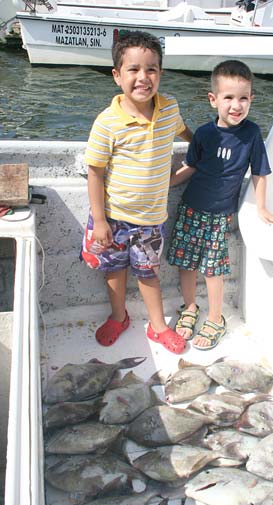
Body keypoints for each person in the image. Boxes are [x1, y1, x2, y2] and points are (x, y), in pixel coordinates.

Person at [80, 30, 192, 354]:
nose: (143, 77)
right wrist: (99, 220)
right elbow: (95, 172)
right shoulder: (107, 123)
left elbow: (183, 130)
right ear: (117, 76)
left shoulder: (169, 108)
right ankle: (119, 317)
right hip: (113, 219)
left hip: (150, 220)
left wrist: (200, 145)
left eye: (152, 69)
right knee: (114, 271)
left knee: (148, 274)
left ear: (160, 73)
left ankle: (158, 327)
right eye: (133, 69)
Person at [167, 59, 273, 350]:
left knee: (213, 269)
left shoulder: (252, 134)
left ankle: (216, 317)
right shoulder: (205, 134)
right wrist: (162, 185)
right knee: (186, 263)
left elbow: (259, 172)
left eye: (243, 98)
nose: (236, 105)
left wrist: (261, 207)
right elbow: (190, 168)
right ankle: (190, 307)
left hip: (219, 216)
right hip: (190, 208)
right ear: (213, 99)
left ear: (251, 100)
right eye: (229, 97)